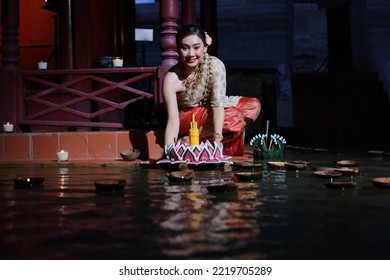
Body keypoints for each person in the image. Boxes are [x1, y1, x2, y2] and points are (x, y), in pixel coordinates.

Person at [162, 24, 261, 156]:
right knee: (235, 116)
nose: (191, 54)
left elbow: (217, 104)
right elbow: (173, 122)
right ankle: (193, 138)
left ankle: (192, 140)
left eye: (196, 47)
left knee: (253, 105)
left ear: (205, 47)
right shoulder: (172, 78)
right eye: (185, 48)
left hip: (210, 109)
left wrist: (217, 139)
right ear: (178, 50)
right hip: (186, 118)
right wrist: (169, 152)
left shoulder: (215, 65)